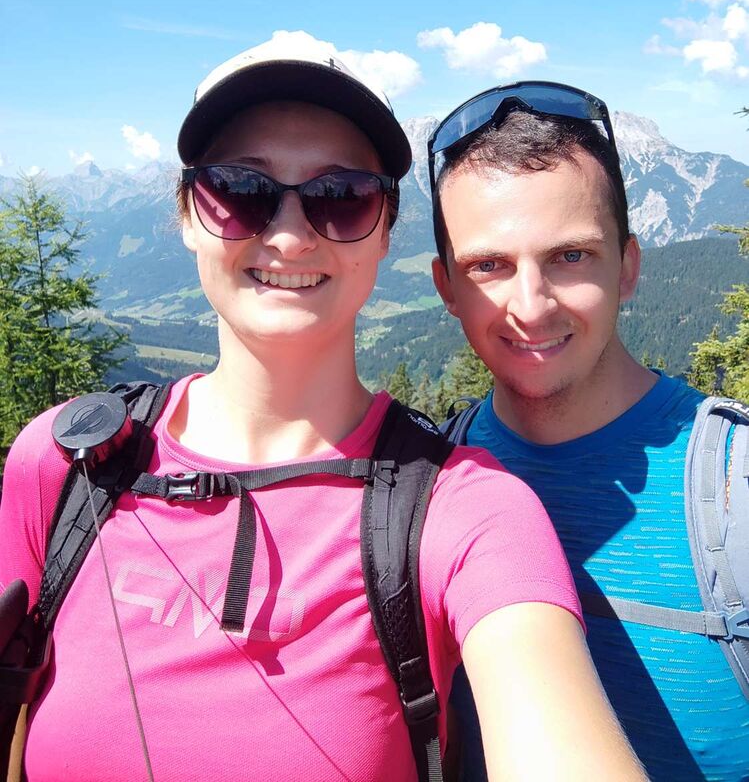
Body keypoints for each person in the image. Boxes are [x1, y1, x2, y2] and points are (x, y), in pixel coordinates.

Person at [0, 44, 645, 782]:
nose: (288, 235)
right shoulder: (68, 463)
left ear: (386, 230)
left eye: (342, 196)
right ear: (187, 214)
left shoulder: (464, 510)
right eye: (239, 189)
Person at [428, 81, 749, 782]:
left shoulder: (732, 487)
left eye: (569, 256)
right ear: (446, 287)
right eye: (488, 266)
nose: (530, 305)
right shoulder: (427, 486)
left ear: (628, 267)